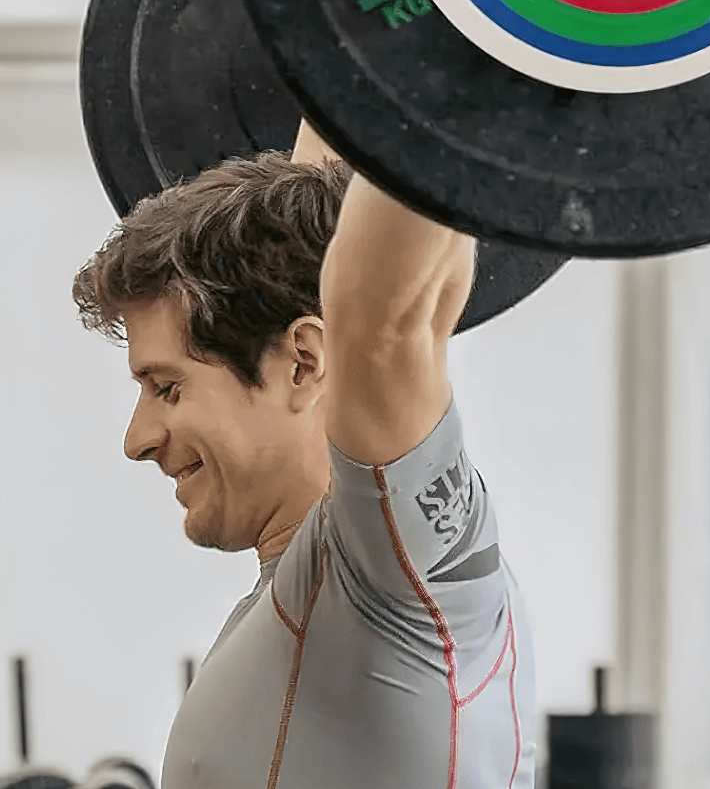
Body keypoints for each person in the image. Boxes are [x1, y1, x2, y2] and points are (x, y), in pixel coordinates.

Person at [72, 119, 536, 789]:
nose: (136, 439)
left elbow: (383, 315)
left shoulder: (390, 565)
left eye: (167, 388)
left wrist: (461, 60)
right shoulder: (308, 590)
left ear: (304, 363)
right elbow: (327, 191)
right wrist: (336, 70)